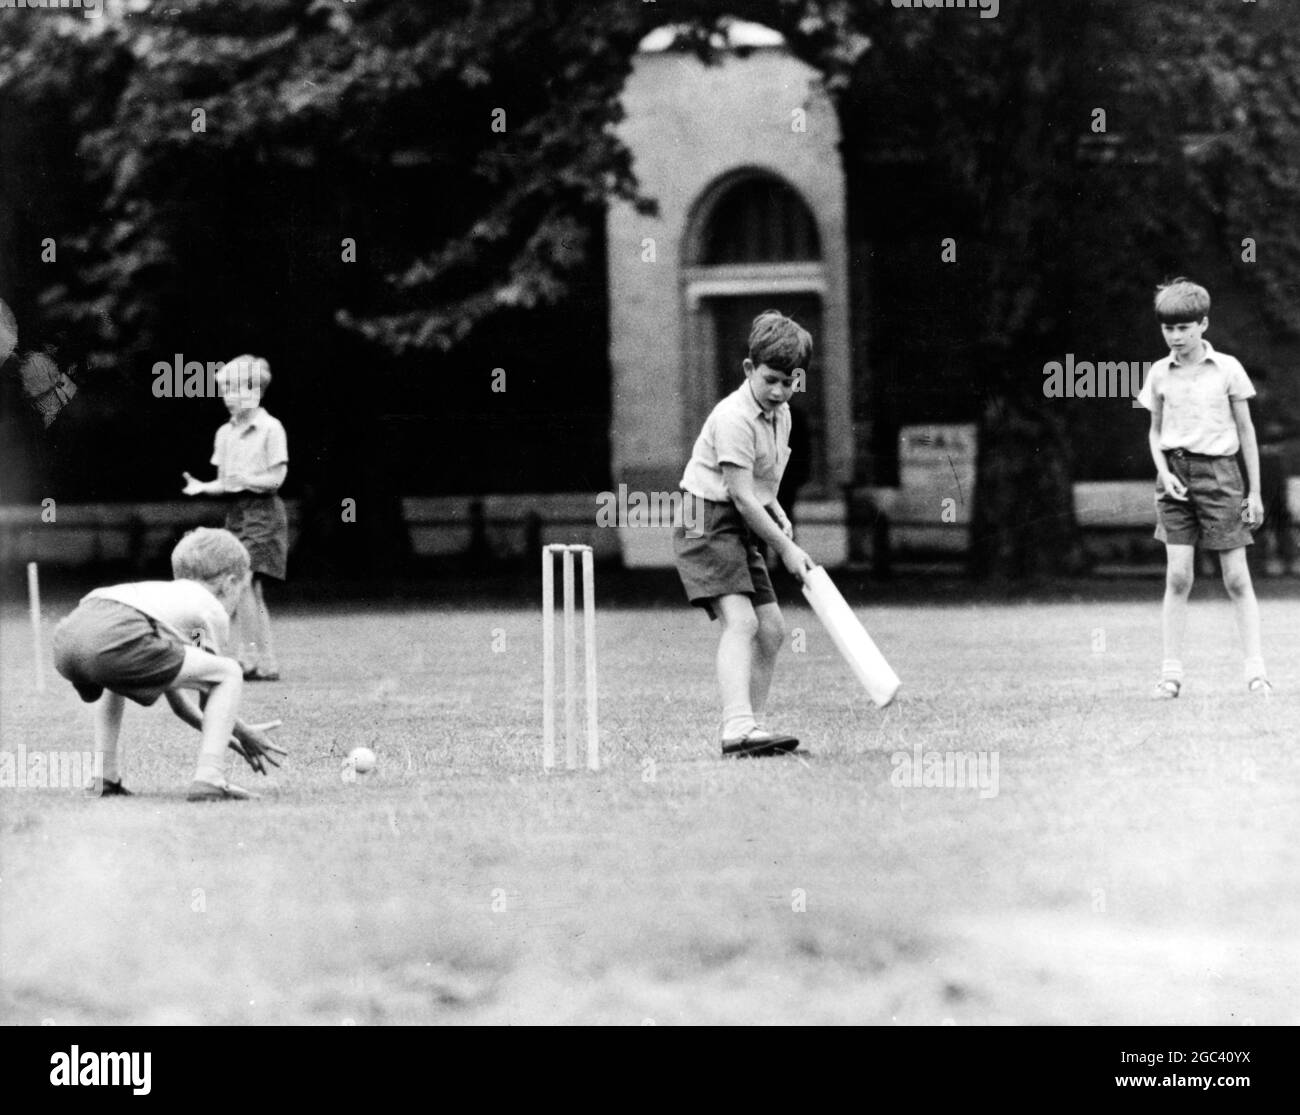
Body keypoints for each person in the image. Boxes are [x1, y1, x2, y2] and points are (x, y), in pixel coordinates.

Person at [673, 310, 816, 757]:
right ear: (749, 369)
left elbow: (759, 485)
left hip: (738, 519)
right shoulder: (733, 417)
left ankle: (751, 730)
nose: (779, 391)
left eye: (789, 382)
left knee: (771, 629)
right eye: (770, 379)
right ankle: (736, 729)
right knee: (743, 621)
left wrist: (775, 507)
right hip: (705, 519)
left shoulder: (782, 415)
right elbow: (739, 496)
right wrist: (787, 548)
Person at [51, 528, 286, 801]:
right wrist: (241, 732)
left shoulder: (160, 600)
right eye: (241, 589)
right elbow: (209, 691)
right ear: (229, 583)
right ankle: (210, 778)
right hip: (117, 638)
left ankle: (104, 777)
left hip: (70, 637)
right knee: (230, 671)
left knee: (113, 681)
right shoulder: (209, 609)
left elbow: (178, 697)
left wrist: (236, 730)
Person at [1136, 278, 1270, 698]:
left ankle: (1256, 673)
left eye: (1184, 328)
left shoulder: (1228, 368)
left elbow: (1246, 432)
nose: (1175, 337)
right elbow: (1155, 433)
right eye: (1168, 329)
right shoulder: (1159, 372)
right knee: (1178, 577)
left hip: (1221, 477)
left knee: (1235, 578)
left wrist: (1254, 493)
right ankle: (1170, 676)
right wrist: (1165, 472)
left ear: (1203, 325)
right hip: (1174, 479)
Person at [183, 354, 289, 680]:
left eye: (234, 389)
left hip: (264, 512)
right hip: (238, 514)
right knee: (248, 589)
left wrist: (245, 480)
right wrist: (203, 487)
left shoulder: (271, 428)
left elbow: (276, 479)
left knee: (243, 584)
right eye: (223, 389)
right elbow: (227, 482)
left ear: (255, 390)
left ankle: (248, 658)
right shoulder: (224, 434)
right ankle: (263, 661)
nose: (227, 397)